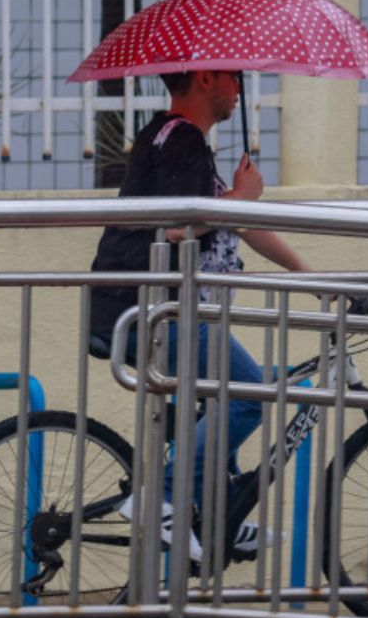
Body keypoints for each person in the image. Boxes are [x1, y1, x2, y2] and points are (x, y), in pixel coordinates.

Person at [88, 69, 311, 561]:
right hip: (157, 310)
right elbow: (178, 225)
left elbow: (238, 223)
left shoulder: (174, 138)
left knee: (221, 400)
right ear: (206, 78)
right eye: (234, 76)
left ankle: (215, 516)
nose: (239, 88)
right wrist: (241, 199)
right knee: (247, 395)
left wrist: (306, 273)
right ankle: (163, 499)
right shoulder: (181, 139)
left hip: (151, 306)